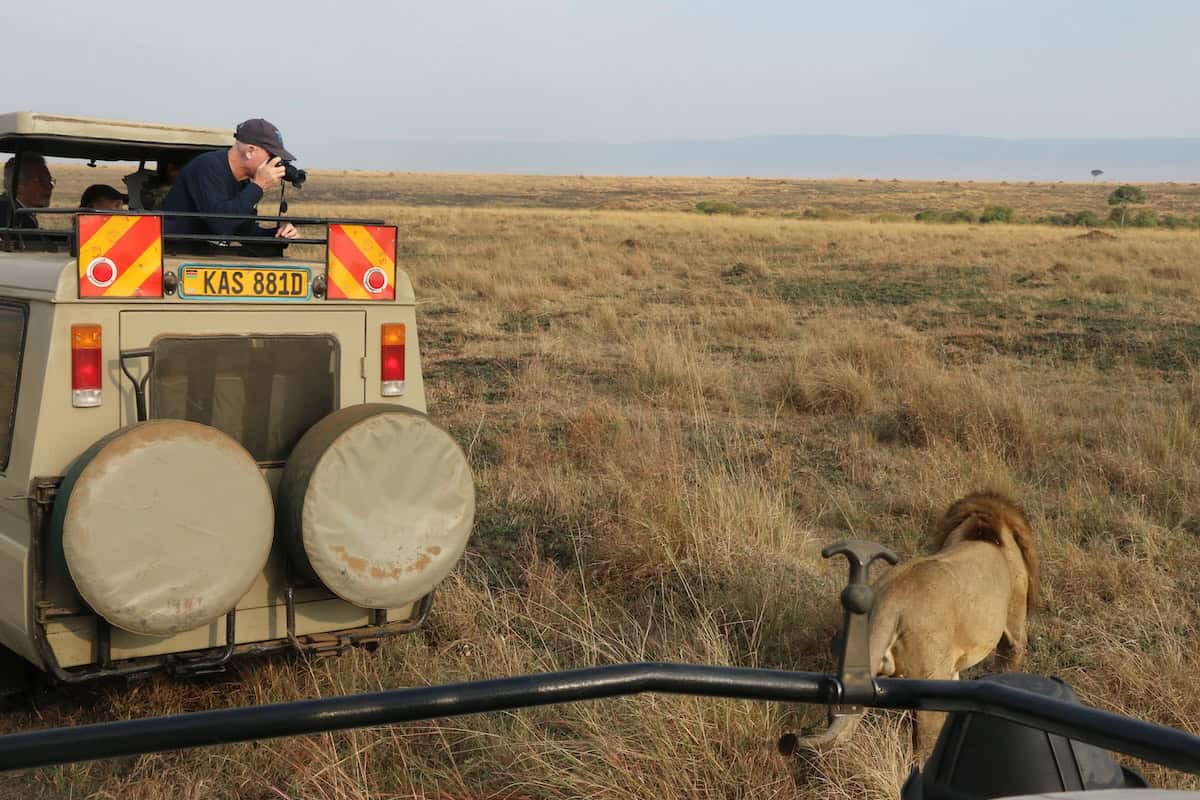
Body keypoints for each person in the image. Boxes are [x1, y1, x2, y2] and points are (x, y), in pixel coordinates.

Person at [159, 118, 299, 254]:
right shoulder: (207, 167)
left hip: (207, 257)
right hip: (173, 255)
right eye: (272, 156)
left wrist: (280, 235)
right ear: (250, 151)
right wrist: (258, 186)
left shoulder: (243, 182)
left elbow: (245, 232)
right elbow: (221, 225)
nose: (276, 162)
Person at [0, 154, 54, 232]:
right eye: (42, 181)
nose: (50, 187)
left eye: (50, 181)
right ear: (18, 186)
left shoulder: (16, 212)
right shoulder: (9, 217)